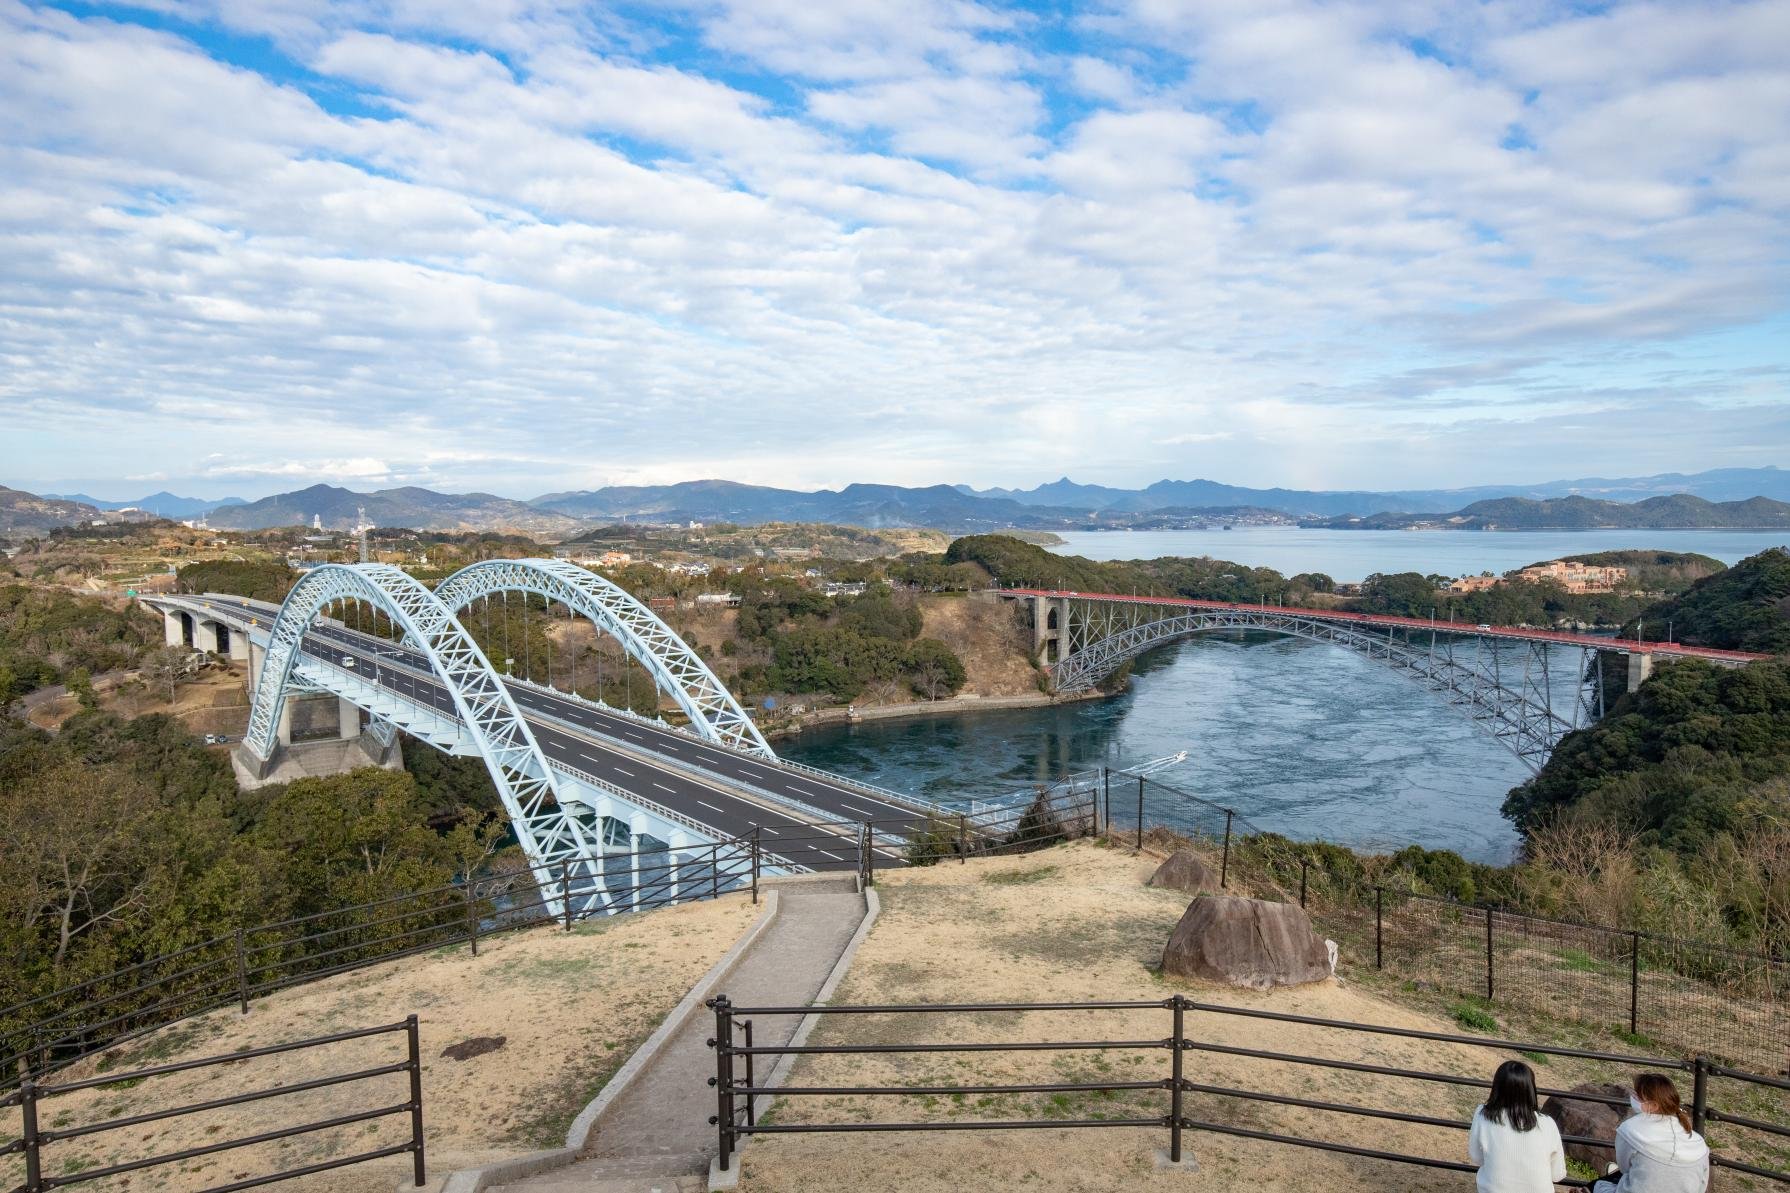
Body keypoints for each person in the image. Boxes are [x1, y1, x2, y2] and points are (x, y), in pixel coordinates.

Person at [1592, 1073, 1710, 1193]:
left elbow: (1624, 1168)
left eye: (1637, 1096)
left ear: (1653, 1106)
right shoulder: (1698, 1142)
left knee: (1596, 1186)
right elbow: (1702, 1184)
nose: (1633, 1097)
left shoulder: (1630, 1130)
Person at [1469, 1059, 1567, 1193]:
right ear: (1531, 1089)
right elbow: (1557, 1175)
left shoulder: (1483, 1115)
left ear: (1497, 1087)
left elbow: (1476, 1157)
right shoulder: (1548, 1123)